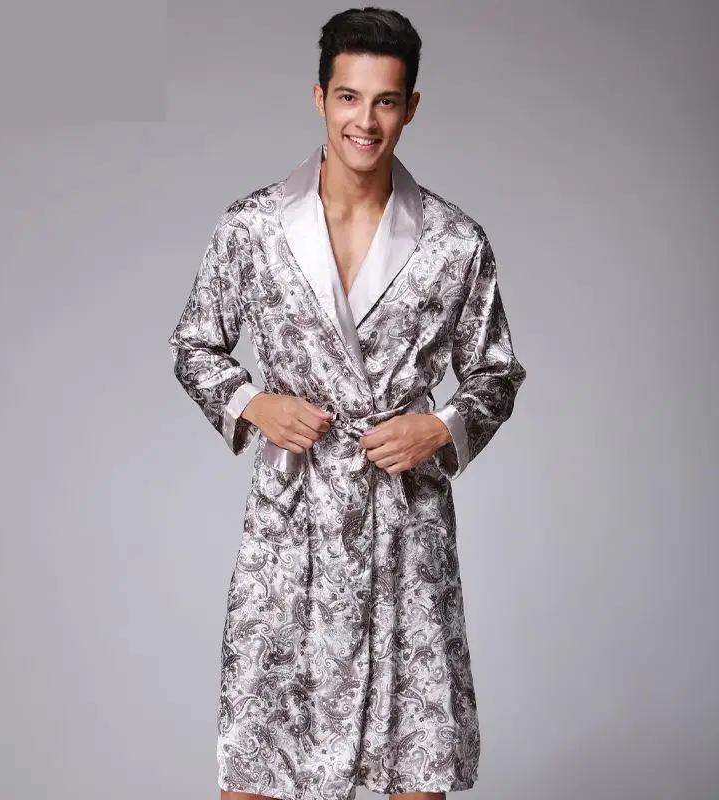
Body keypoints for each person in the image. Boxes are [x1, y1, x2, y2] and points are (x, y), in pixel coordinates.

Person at [168, 7, 526, 800]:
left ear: (411, 107)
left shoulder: (455, 241)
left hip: (405, 521)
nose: (365, 121)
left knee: (415, 763)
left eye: (386, 101)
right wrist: (254, 403)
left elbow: (495, 372)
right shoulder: (254, 228)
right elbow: (194, 345)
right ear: (320, 98)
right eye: (349, 98)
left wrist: (439, 426)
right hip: (291, 520)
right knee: (260, 759)